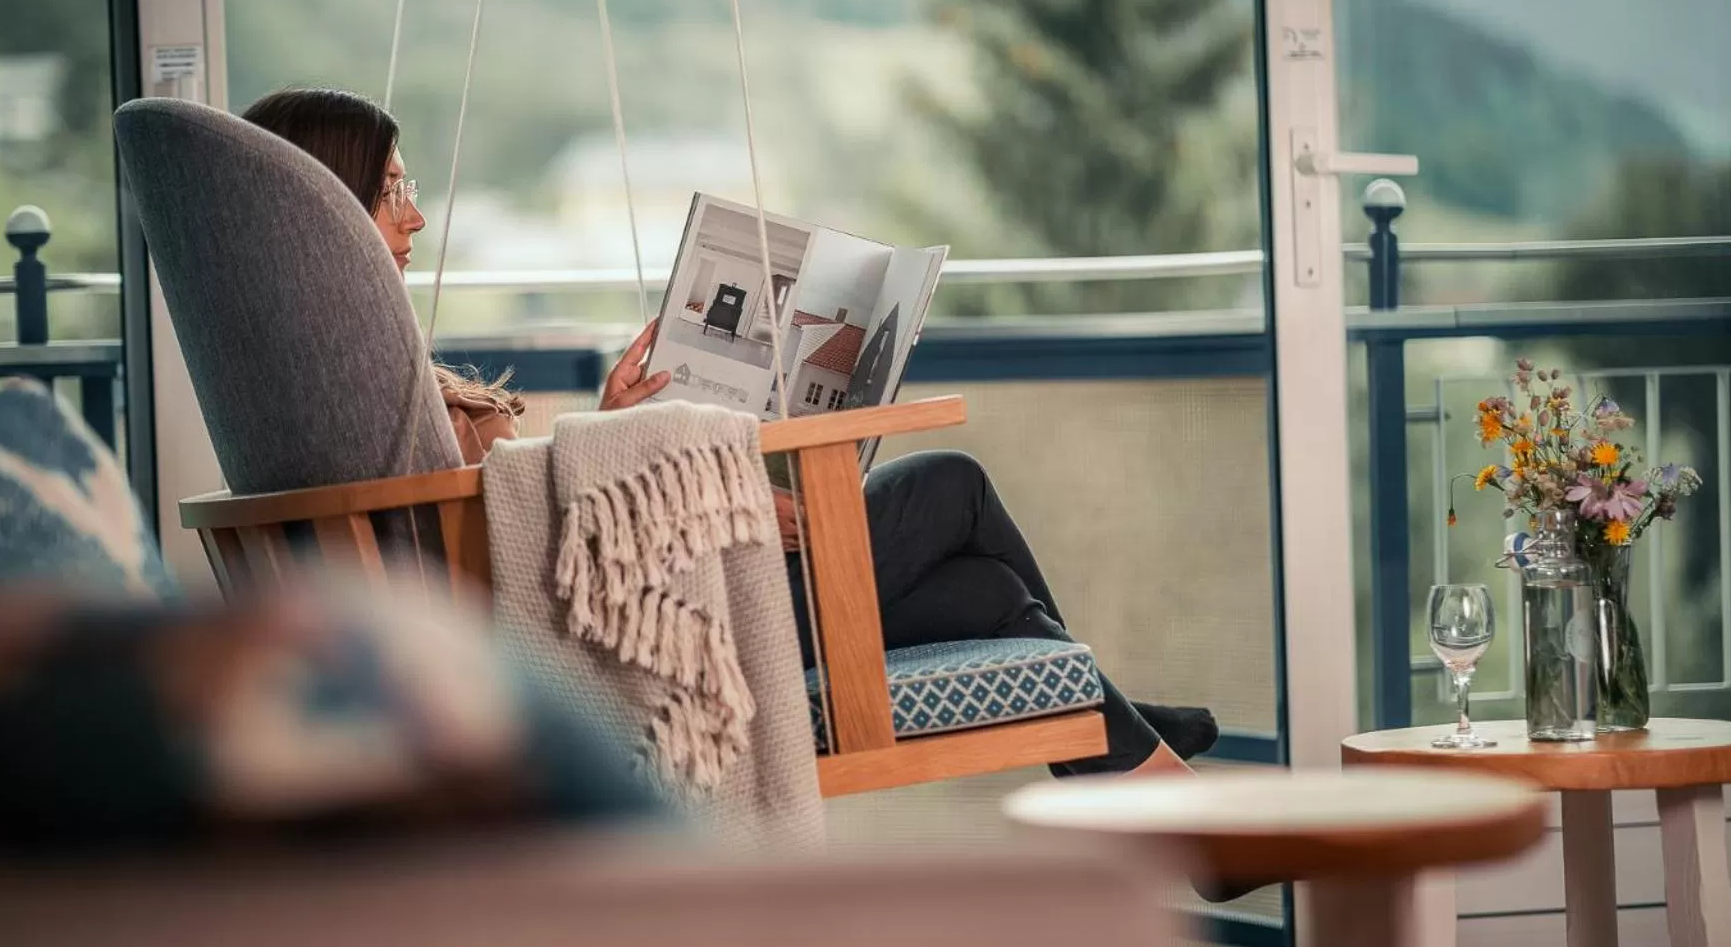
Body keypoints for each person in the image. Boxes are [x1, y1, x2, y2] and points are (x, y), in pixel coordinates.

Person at [240, 87, 1218, 776]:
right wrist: (686, 476)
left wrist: (621, 432)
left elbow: (513, 527)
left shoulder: (338, 379)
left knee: (985, 591)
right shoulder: (376, 392)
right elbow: (512, 557)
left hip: (649, 606)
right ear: (329, 212)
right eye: (393, 193)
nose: (414, 222)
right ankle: (1110, 719)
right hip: (659, 642)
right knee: (950, 482)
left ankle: (1113, 723)